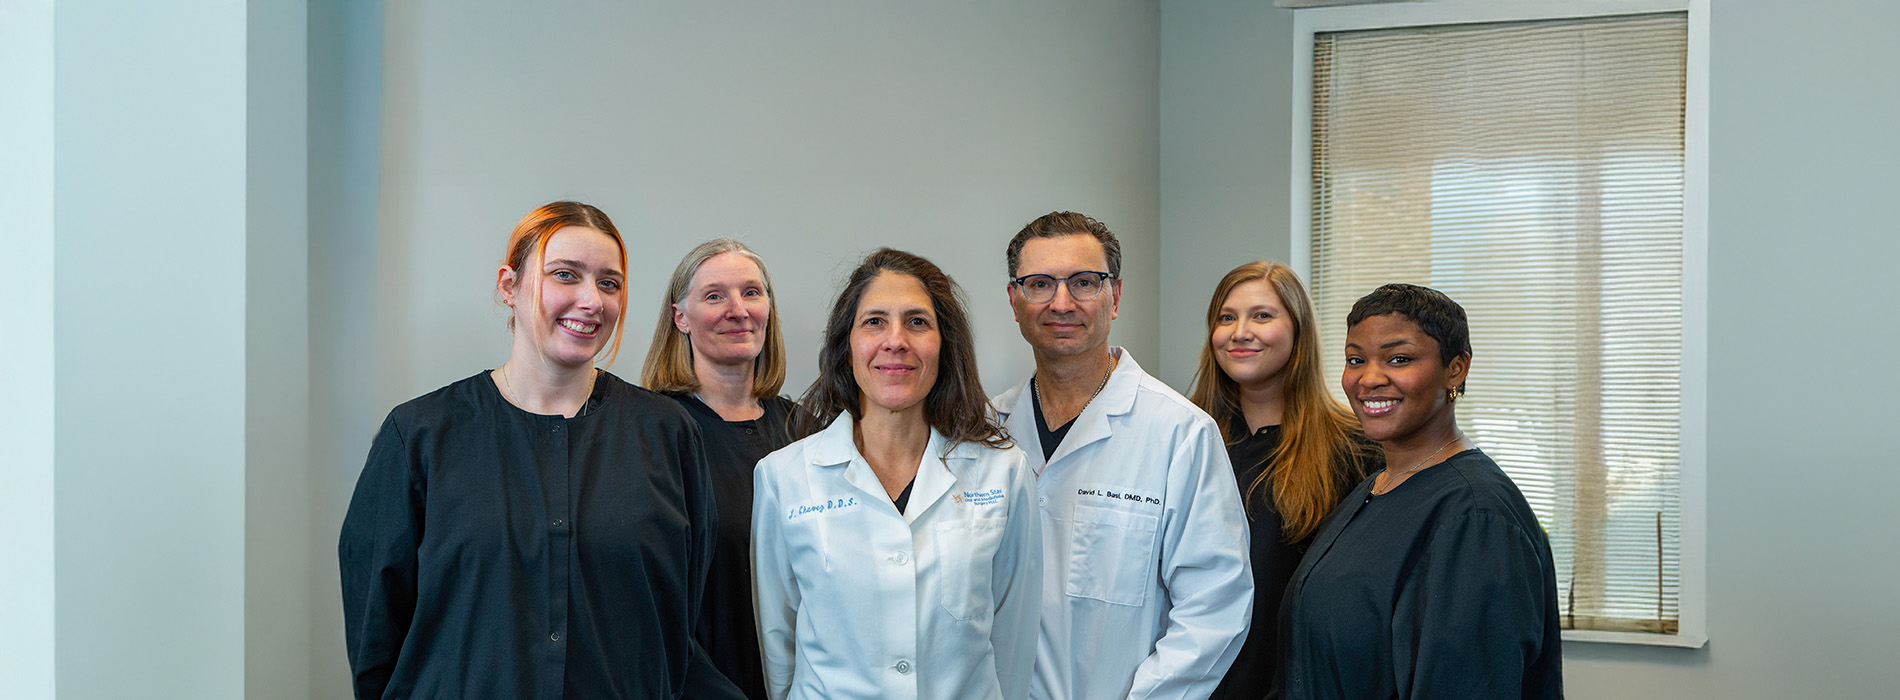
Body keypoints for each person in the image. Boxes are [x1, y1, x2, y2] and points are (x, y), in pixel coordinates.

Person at [339, 201, 743, 700]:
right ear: (509, 285)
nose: (591, 300)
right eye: (565, 275)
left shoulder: (667, 434)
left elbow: (686, 622)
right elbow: (375, 631)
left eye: (609, 283)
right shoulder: (420, 434)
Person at [751, 248, 1041, 700]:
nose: (896, 340)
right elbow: (778, 647)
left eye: (918, 322)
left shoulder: (1003, 474)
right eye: (874, 322)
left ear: (945, 346)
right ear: (846, 346)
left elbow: (1014, 642)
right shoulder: (783, 478)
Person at [991, 212, 1252, 700]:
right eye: (1040, 284)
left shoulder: (1180, 433)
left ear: (1115, 297)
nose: (1062, 302)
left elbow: (1214, 609)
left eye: (1085, 283)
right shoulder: (983, 431)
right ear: (1015, 301)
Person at [1277, 283, 1562, 700]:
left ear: (1456, 368)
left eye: (1399, 359)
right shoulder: (1374, 489)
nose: (1369, 378)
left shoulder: (1475, 516)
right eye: (1356, 359)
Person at [1187, 262, 1378, 700]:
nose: (1240, 332)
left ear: (1299, 330)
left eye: (1262, 316)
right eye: (1226, 317)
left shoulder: (1355, 448)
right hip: (1193, 682)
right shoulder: (1183, 437)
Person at [642, 239, 797, 700]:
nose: (738, 310)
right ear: (680, 317)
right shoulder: (650, 432)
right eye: (714, 296)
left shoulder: (805, 430)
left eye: (752, 292)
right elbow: (651, 602)